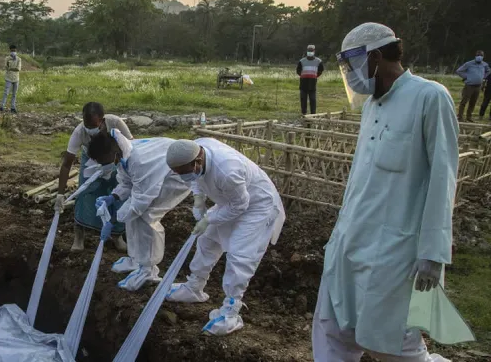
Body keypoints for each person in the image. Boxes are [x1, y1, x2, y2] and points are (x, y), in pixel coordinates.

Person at [313, 22, 456, 361]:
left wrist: (433, 252)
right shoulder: (371, 106)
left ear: (375, 57)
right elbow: (361, 179)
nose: (349, 76)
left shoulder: (429, 97)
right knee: (332, 328)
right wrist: (339, 236)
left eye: (351, 65)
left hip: (394, 248)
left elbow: (443, 176)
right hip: (351, 239)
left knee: (389, 340)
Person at [164, 139, 285, 336]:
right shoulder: (192, 149)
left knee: (240, 254)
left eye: (184, 171)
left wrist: (208, 218)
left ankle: (231, 310)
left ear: (198, 160)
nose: (183, 176)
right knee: (207, 240)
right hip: (230, 200)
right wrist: (198, 199)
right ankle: (195, 286)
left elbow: (240, 206)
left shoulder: (227, 171)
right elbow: (195, 179)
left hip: (257, 206)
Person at [88, 131, 191, 291]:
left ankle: (148, 269)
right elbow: (127, 182)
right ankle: (136, 258)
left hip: (176, 176)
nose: (103, 166)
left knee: (146, 216)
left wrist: (112, 221)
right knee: (133, 215)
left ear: (111, 154)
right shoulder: (123, 154)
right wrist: (113, 197)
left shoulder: (140, 161)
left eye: (103, 162)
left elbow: (139, 202)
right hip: (153, 177)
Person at [54, 102, 133, 252]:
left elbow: (131, 147)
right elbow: (66, 164)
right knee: (85, 193)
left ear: (102, 121)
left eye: (93, 125)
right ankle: (79, 237)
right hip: (91, 159)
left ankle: (117, 235)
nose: (89, 129)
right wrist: (60, 194)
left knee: (117, 194)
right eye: (86, 125)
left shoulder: (115, 123)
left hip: (114, 158)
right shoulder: (79, 133)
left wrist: (117, 163)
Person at [457, 50, 491, 121]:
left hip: (478, 86)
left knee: (473, 102)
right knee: (464, 101)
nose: (479, 57)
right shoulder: (469, 64)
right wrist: (466, 77)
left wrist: (483, 77)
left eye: (481, 55)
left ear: (483, 57)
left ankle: (469, 117)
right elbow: (459, 71)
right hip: (469, 85)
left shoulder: (484, 64)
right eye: (478, 55)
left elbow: (488, 71)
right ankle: (460, 116)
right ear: (475, 56)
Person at [296, 44, 324, 115]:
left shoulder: (318, 61)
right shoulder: (302, 61)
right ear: (307, 51)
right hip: (303, 84)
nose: (310, 52)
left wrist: (314, 76)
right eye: (309, 51)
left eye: (311, 51)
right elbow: (298, 70)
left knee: (313, 100)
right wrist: (303, 75)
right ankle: (304, 113)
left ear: (314, 51)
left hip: (312, 83)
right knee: (303, 100)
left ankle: (313, 114)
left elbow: (320, 70)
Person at [0, 44, 22, 113]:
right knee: (6, 93)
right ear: (10, 50)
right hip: (8, 78)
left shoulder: (19, 59)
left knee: (14, 94)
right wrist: (12, 68)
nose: (13, 52)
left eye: (14, 50)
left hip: (16, 78)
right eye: (12, 50)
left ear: (16, 50)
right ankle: (2, 106)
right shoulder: (7, 58)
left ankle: (13, 107)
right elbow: (5, 67)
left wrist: (10, 68)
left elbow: (18, 69)